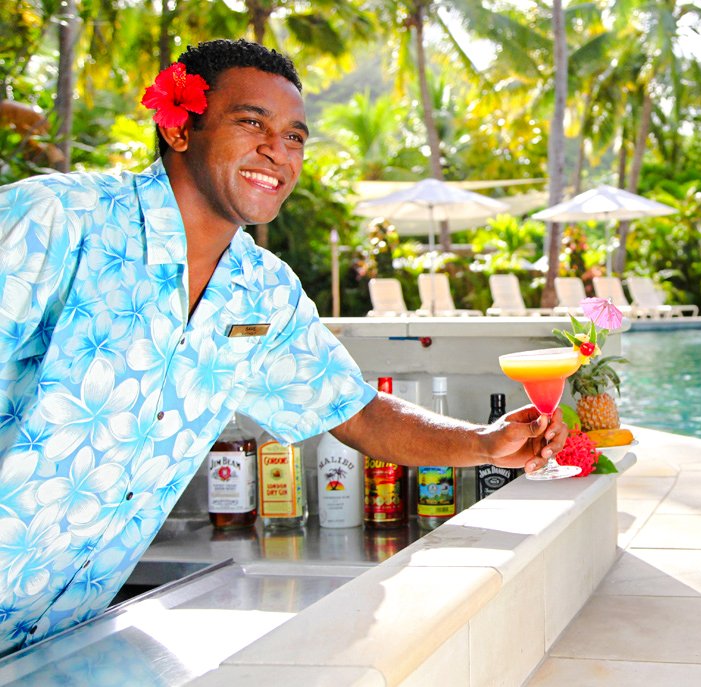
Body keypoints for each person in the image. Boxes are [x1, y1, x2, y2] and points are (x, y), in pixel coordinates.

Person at [0, 38, 565, 655]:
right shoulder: (58, 221)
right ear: (179, 128)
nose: (278, 150)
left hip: (52, 635)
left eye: (295, 136)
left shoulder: (262, 292)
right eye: (252, 123)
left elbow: (356, 411)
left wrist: (484, 443)